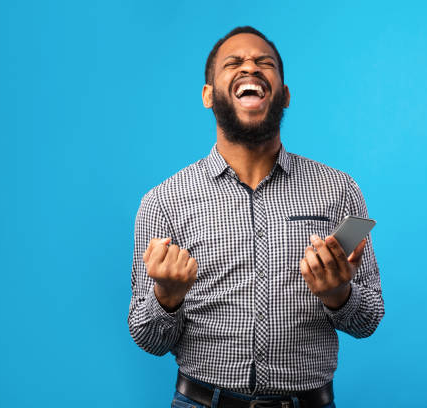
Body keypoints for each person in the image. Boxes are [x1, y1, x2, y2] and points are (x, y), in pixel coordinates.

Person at [128, 26, 385, 408]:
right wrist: (167, 296)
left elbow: (368, 321)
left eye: (264, 63)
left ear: (284, 95)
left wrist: (338, 295)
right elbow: (149, 340)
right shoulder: (164, 201)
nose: (250, 66)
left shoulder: (339, 191)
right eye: (233, 63)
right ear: (208, 96)